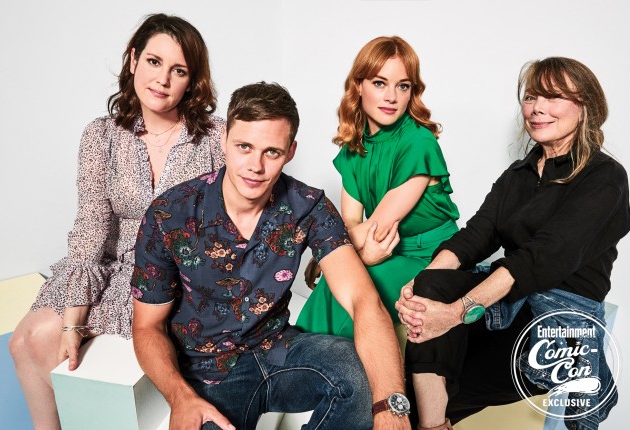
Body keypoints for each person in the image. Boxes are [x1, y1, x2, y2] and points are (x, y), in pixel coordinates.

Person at [131, 82, 410, 430]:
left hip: (279, 351)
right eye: (244, 147)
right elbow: (147, 326)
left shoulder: (307, 206)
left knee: (362, 375)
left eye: (272, 152)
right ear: (224, 139)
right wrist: (180, 397)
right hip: (209, 371)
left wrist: (392, 409)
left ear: (290, 151)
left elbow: (363, 300)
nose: (256, 166)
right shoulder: (170, 213)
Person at [8, 14, 225, 429]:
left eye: (178, 70)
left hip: (175, 273)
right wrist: (73, 323)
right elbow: (91, 225)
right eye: (154, 62)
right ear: (133, 60)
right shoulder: (101, 135)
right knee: (26, 340)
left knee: (59, 347)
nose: (162, 79)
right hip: (110, 267)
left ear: (192, 81)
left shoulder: (216, 137)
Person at [396, 57, 629, 430]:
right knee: (431, 285)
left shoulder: (605, 178)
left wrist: (454, 313)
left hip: (555, 322)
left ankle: (427, 420)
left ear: (585, 106)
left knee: (417, 396)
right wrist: (418, 287)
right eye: (532, 96)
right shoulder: (519, 173)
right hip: (507, 304)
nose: (537, 108)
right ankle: (433, 423)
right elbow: (476, 235)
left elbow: (538, 260)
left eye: (553, 97)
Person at [296, 36, 460, 339]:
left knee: (354, 289)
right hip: (384, 248)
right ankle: (297, 358)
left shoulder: (418, 143)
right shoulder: (354, 147)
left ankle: (315, 362)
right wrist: (336, 254)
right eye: (380, 83)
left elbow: (376, 228)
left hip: (431, 257)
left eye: (403, 86)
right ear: (359, 85)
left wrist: (325, 256)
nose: (392, 97)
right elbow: (350, 224)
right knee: (338, 283)